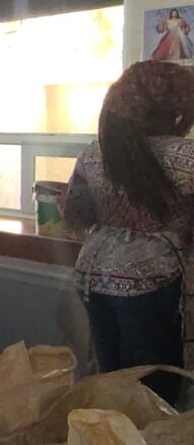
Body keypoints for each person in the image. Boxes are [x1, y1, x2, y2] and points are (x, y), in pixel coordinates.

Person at [62, 60, 194, 405]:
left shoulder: (94, 154)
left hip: (93, 276)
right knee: (154, 393)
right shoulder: (187, 155)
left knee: (113, 382)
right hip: (152, 280)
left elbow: (73, 213)